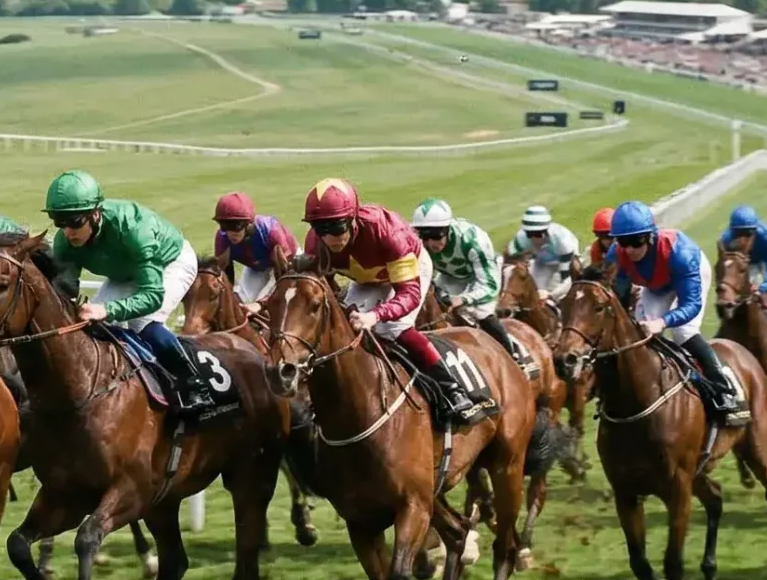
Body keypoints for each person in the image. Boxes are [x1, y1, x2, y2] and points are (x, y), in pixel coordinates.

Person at [299, 178, 489, 425]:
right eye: (320, 229)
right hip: (366, 278)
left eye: (337, 227)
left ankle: (451, 389)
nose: (330, 237)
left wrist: (375, 315)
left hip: (410, 270)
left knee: (392, 327)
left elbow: (408, 294)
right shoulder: (315, 242)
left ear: (353, 217)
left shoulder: (386, 231)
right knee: (340, 329)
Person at [41, 169, 209, 413]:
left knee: (143, 322)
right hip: (125, 272)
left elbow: (152, 296)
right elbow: (64, 291)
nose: (68, 232)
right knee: (88, 326)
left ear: (95, 214)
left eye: (75, 222)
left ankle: (195, 383)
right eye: (60, 222)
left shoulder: (134, 229)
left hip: (169, 262)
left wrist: (108, 309)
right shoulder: (65, 242)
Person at [605, 199, 748, 425]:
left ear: (650, 236)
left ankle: (725, 390)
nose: (630, 249)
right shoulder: (617, 254)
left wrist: (662, 322)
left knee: (683, 333)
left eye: (636, 241)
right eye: (623, 242)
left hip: (689, 275)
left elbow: (691, 305)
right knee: (640, 334)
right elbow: (619, 293)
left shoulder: (682, 254)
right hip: (655, 285)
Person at [409, 198, 535, 378]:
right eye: (424, 237)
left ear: (447, 229)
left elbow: (490, 285)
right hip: (448, 276)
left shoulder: (474, 241)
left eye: (436, 236)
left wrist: (464, 298)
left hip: (480, 277)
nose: (430, 244)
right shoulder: (414, 240)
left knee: (480, 313)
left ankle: (512, 358)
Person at [716, 203, 767, 342]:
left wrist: (762, 288)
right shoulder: (725, 240)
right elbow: (724, 269)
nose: (743, 239)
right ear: (732, 232)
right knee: (732, 298)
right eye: (738, 234)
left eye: (748, 234)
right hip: (745, 262)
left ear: (755, 231)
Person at [211, 192, 297, 310]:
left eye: (236, 226)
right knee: (242, 302)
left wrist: (261, 304)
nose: (231, 233)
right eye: (225, 226)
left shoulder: (271, 231)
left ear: (249, 224)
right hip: (257, 268)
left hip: (288, 266)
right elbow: (223, 277)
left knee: (276, 304)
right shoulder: (222, 237)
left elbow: (285, 278)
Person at [505, 203, 581, 304]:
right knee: (535, 291)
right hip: (542, 262)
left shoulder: (563, 243)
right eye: (529, 234)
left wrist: (551, 295)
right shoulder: (521, 238)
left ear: (546, 231)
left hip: (565, 261)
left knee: (563, 296)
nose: (533, 238)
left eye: (537, 234)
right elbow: (506, 262)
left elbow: (566, 281)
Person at [586, 205, 618, 277]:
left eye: (609, 236)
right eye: (601, 235)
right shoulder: (596, 248)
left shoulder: (625, 245)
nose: (606, 240)